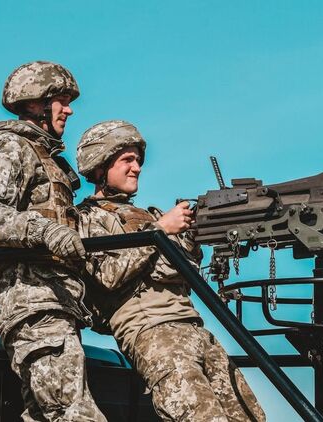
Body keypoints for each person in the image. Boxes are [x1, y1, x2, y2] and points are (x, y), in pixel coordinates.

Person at [76, 120, 266, 422]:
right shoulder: (87, 219)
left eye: (138, 160)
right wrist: (159, 231)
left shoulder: (147, 215)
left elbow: (182, 273)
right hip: (153, 333)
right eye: (127, 160)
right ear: (100, 167)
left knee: (250, 416)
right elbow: (106, 276)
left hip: (194, 328)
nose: (136, 167)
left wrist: (191, 238)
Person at [0, 61, 106, 422]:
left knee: (47, 414)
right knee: (74, 414)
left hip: (53, 299)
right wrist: (45, 231)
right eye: (61, 101)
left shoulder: (46, 157)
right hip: (29, 297)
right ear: (35, 103)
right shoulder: (11, 146)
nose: (69, 110)